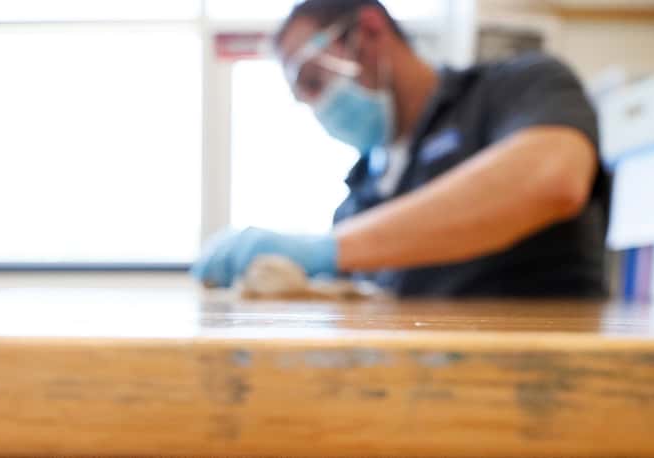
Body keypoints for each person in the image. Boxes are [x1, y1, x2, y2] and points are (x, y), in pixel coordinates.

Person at [193, 0, 609, 298]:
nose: (318, 107)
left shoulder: (517, 85)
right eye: (304, 98)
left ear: (370, 31)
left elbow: (552, 177)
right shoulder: (360, 195)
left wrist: (331, 249)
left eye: (314, 81)